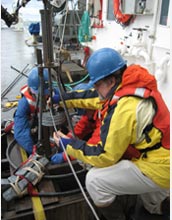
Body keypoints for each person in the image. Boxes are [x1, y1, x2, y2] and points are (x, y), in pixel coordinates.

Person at [51, 48, 170, 220]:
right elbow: (93, 97)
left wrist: (68, 146)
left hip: (159, 167)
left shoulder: (124, 108)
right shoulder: (132, 86)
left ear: (112, 80)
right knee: (152, 204)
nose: (96, 89)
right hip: (161, 157)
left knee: (94, 180)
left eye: (97, 84)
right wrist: (62, 99)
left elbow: (104, 155)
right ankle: (157, 207)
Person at [14, 67, 59, 155]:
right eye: (42, 94)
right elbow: (20, 132)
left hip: (53, 126)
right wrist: (35, 151)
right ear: (33, 91)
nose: (45, 97)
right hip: (36, 126)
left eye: (46, 94)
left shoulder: (55, 94)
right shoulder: (24, 103)